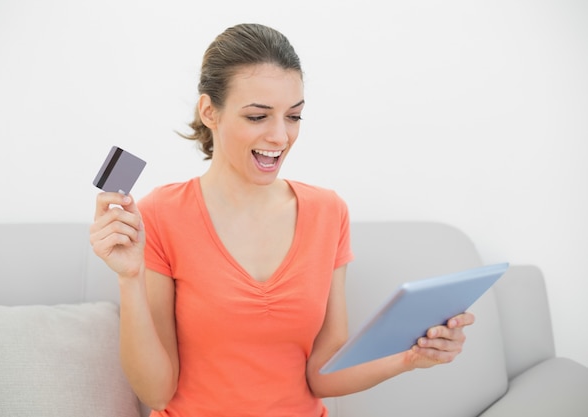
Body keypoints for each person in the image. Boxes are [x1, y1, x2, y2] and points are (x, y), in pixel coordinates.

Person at [90, 23, 475, 417]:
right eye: (258, 116)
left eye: (293, 116)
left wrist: (409, 357)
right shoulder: (162, 214)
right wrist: (129, 278)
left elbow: (322, 375)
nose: (280, 136)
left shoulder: (328, 212)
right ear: (210, 112)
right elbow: (156, 392)